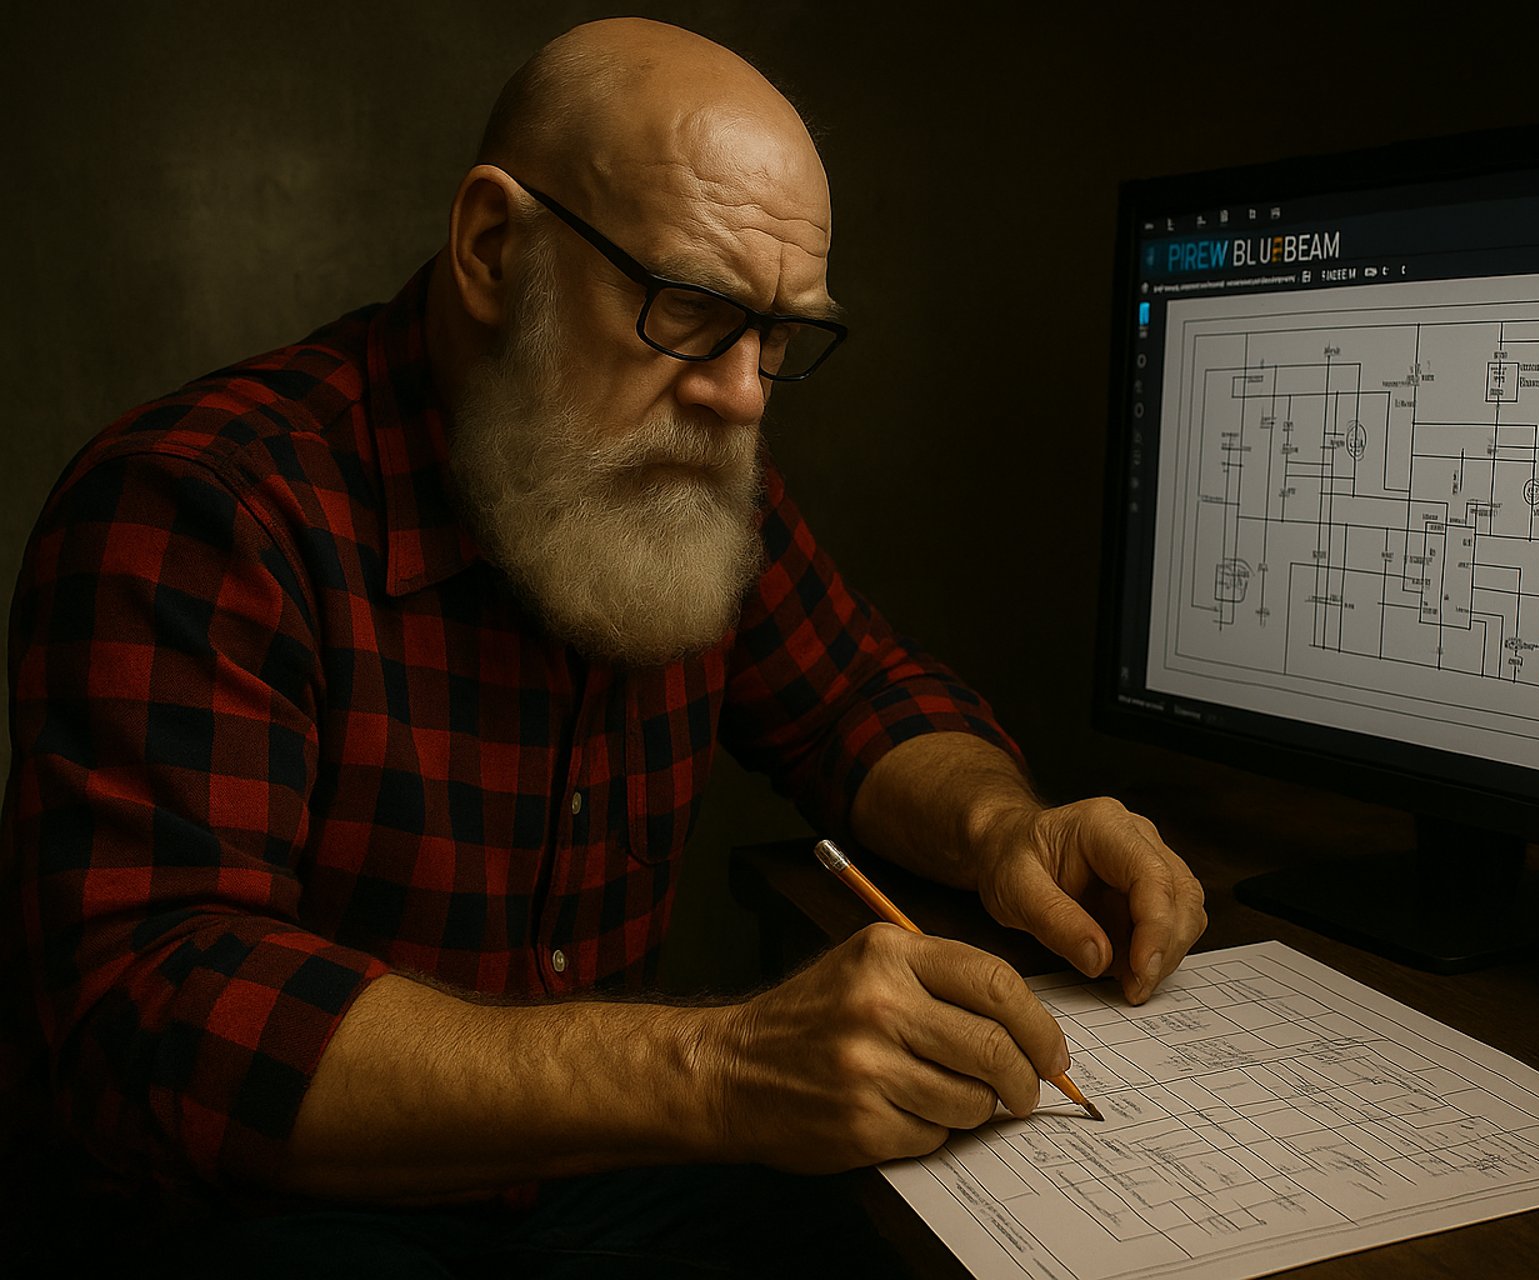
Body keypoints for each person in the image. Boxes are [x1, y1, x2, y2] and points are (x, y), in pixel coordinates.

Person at [0, 17, 1205, 1270]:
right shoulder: (199, 506)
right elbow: (157, 1011)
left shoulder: (673, 458)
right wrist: (717, 1065)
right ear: (491, 247)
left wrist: (1000, 827)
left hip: (591, 1183)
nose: (741, 393)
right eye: (690, 305)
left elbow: (859, 698)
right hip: (265, 1212)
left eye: (779, 334)